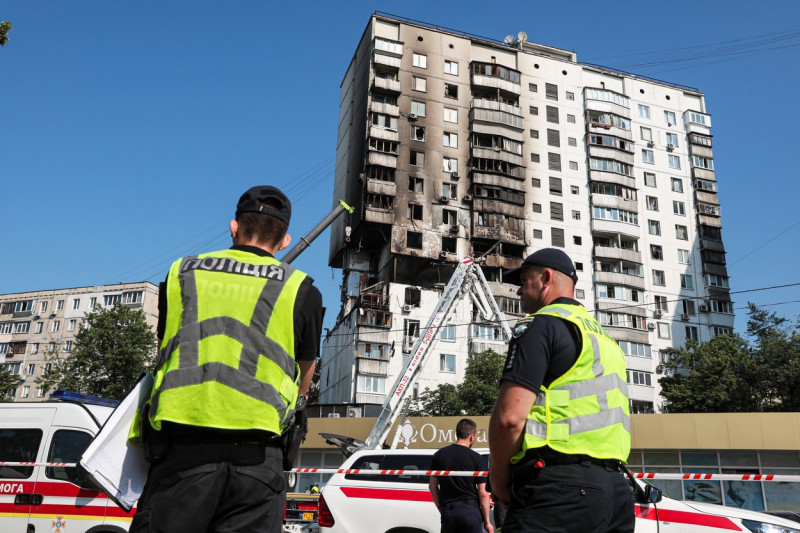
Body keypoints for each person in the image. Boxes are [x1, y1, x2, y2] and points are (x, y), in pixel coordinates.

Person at [129, 185, 324, 533]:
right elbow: (303, 376)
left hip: (181, 452)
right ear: (284, 241)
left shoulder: (182, 273)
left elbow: (163, 350)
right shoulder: (301, 289)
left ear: (234, 227)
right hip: (259, 460)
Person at [488, 248, 633, 533]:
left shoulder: (541, 326)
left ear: (545, 278)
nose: (518, 291)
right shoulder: (606, 341)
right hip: (616, 493)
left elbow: (509, 419)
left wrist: (500, 482)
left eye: (523, 281)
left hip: (559, 490)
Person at [429, 418, 494, 533]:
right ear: (472, 436)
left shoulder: (439, 455)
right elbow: (483, 493)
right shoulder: (477, 458)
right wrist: (488, 522)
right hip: (470, 511)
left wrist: (441, 508)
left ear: (457, 434)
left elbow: (432, 486)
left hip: (448, 511)